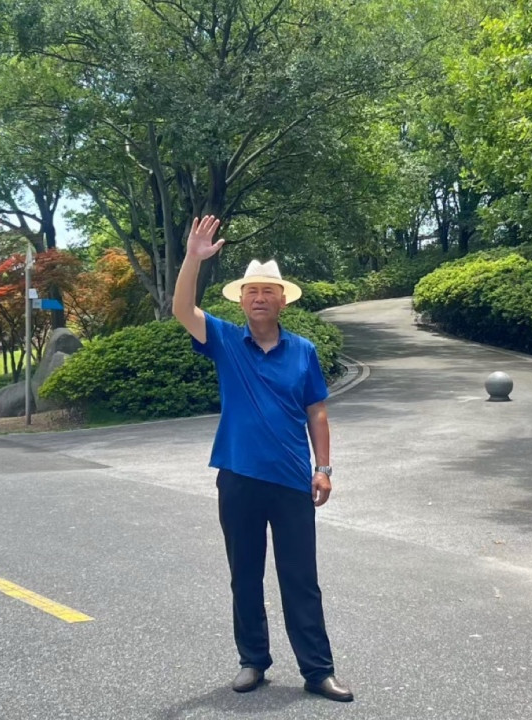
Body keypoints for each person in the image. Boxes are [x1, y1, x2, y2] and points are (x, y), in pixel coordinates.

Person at [172, 214, 353, 703]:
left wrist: (324, 469)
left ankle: (318, 670)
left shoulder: (303, 351)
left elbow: (317, 412)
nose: (258, 297)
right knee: (245, 575)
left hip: (292, 479)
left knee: (301, 579)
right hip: (239, 477)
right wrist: (193, 258)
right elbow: (182, 308)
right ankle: (253, 661)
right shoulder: (226, 341)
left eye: (267, 291)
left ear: (282, 300)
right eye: (251, 291)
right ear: (241, 300)